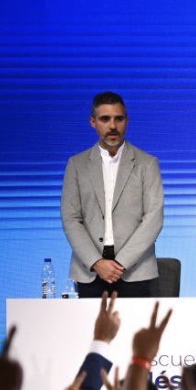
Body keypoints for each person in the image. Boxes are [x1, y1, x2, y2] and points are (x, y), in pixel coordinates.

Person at [60, 91, 163, 298]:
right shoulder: (77, 164)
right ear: (93, 122)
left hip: (135, 270)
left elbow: (154, 218)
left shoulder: (147, 163)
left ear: (127, 120)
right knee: (92, 322)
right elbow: (70, 218)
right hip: (90, 269)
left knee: (135, 322)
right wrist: (96, 262)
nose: (113, 126)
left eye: (119, 118)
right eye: (105, 119)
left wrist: (121, 262)